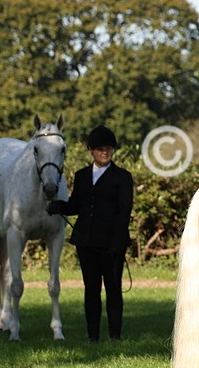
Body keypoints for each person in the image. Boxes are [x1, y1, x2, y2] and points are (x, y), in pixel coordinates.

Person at [47, 125, 134, 342]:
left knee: (114, 290)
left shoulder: (122, 177)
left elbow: (124, 212)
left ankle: (115, 335)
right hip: (86, 242)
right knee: (91, 290)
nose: (105, 152)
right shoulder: (82, 176)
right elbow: (77, 205)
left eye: (108, 148)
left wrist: (117, 243)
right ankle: (92, 336)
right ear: (91, 151)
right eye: (100, 148)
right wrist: (59, 206)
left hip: (112, 244)